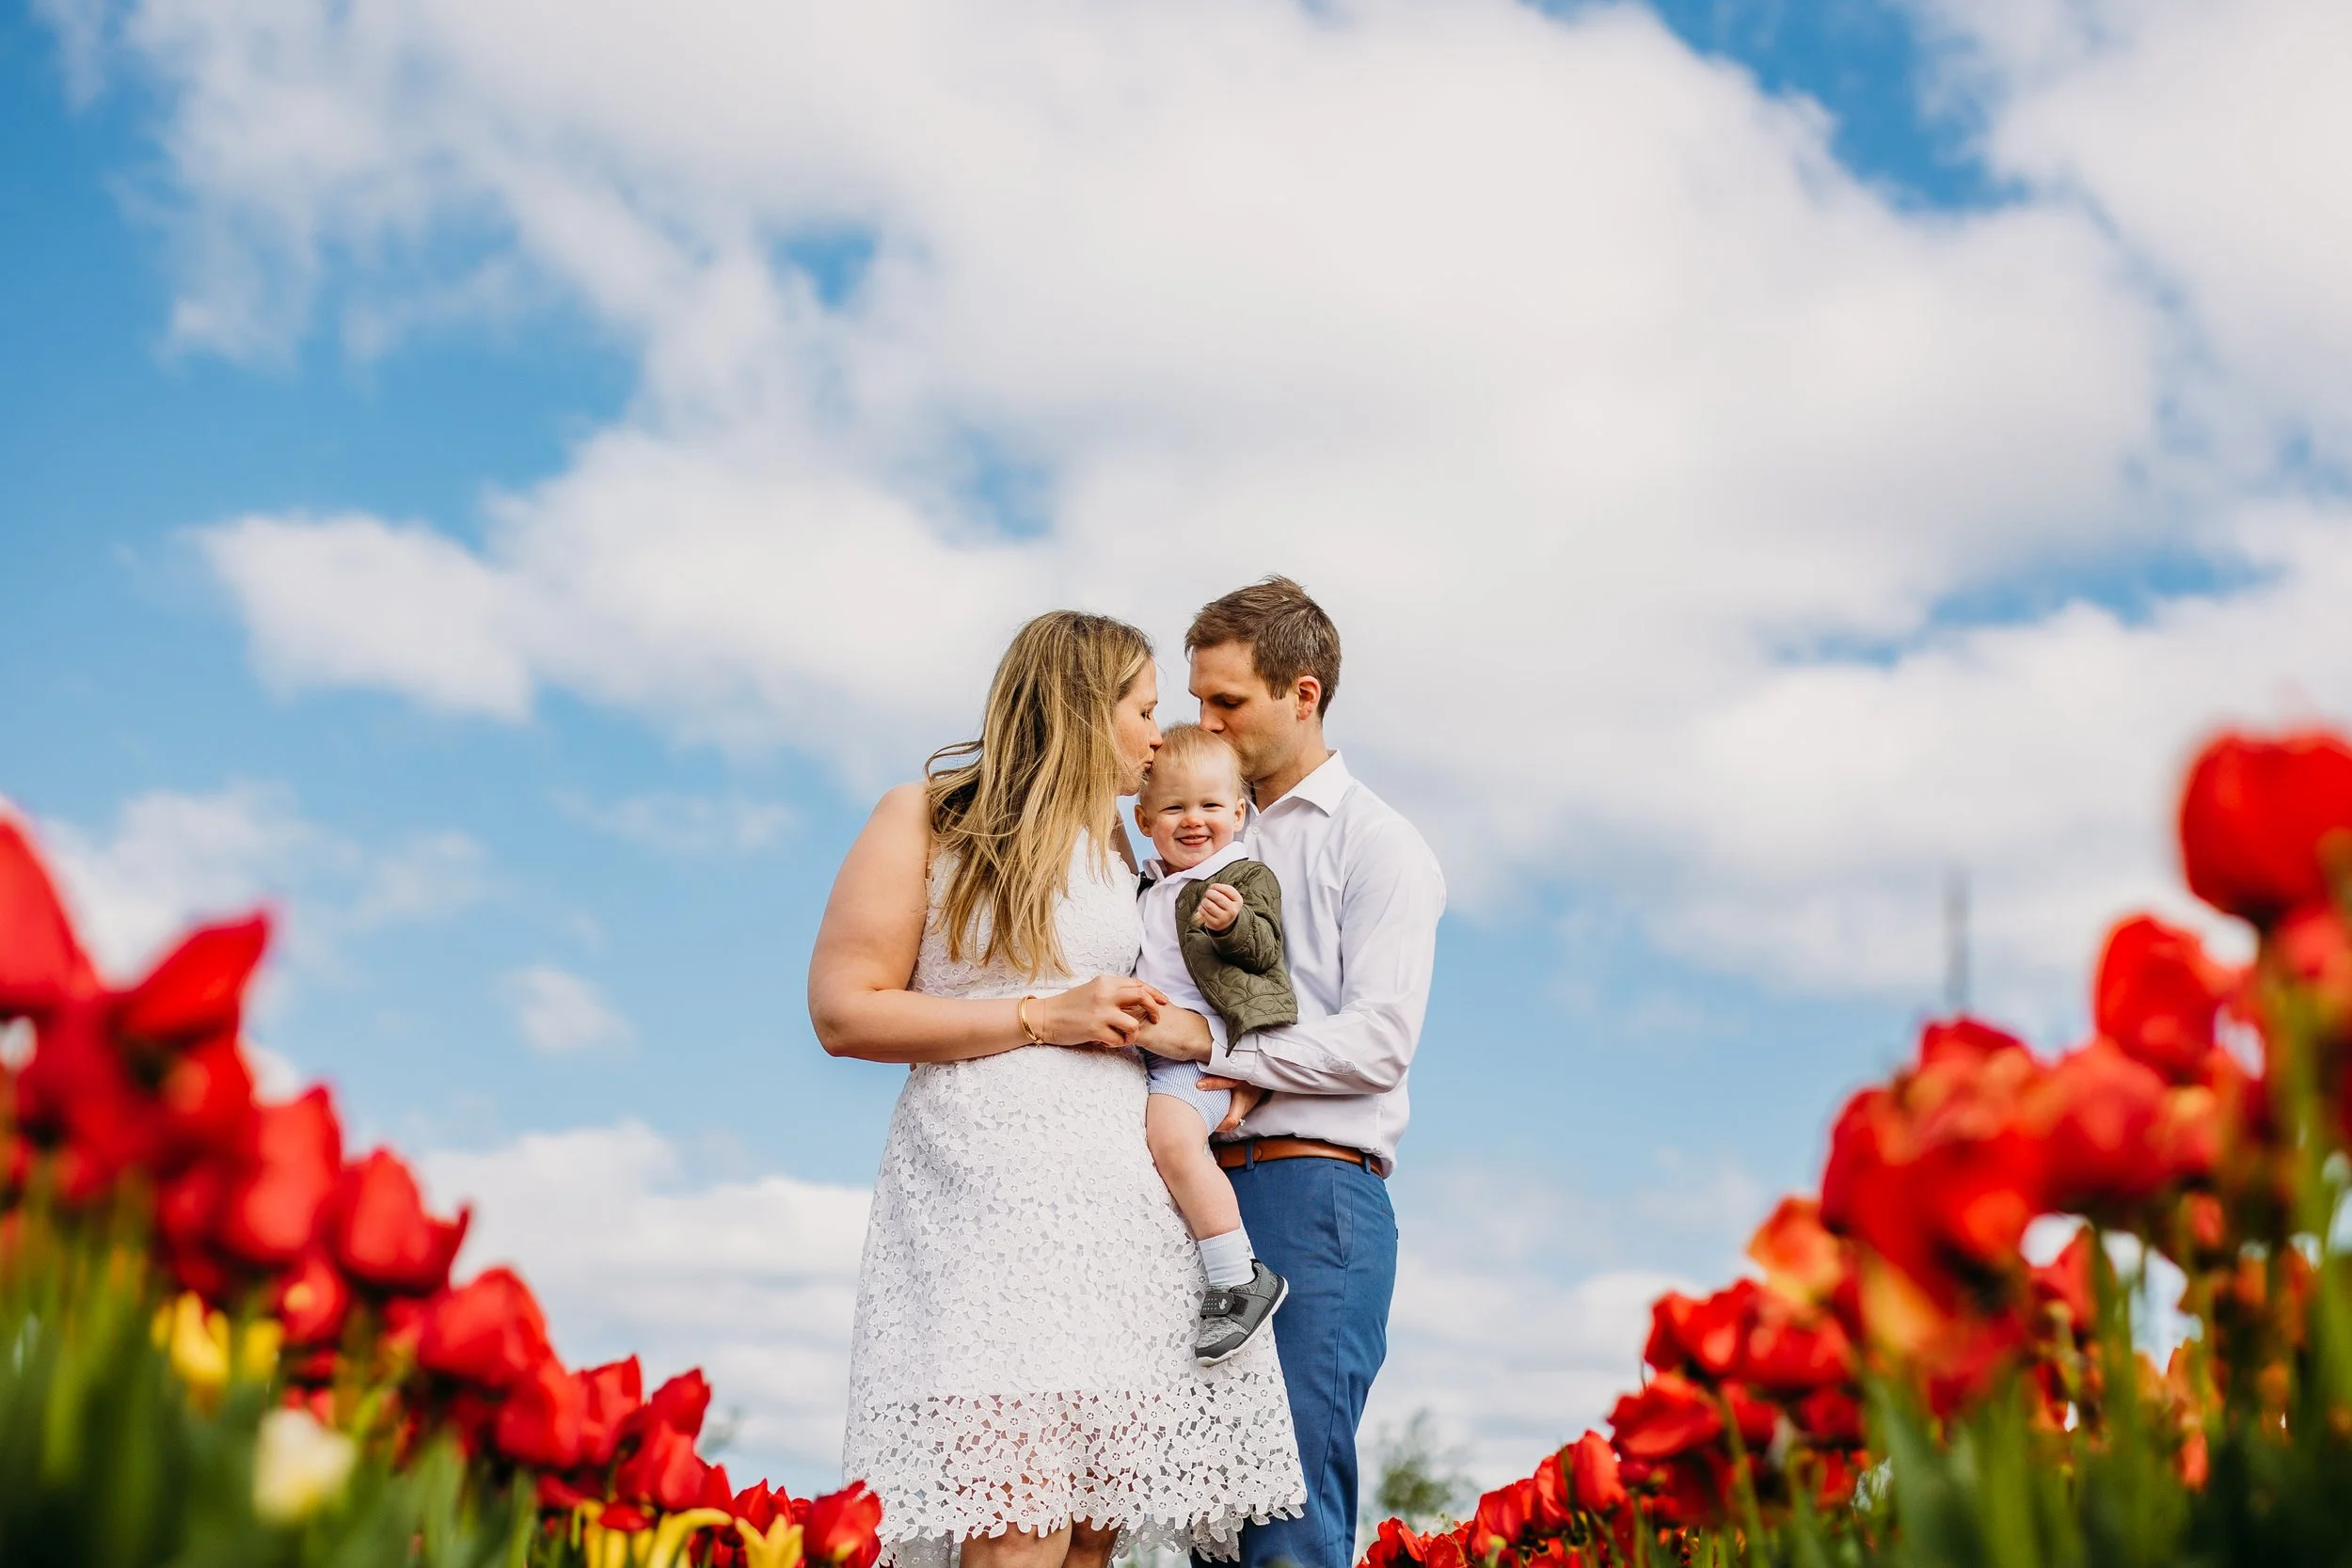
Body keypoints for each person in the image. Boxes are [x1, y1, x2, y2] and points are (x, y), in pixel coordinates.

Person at [811, 610, 1305, 1568]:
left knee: (1093, 1523)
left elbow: (1180, 1003)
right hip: (985, 1195)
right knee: (1015, 1515)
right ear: (1083, 708)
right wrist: (1042, 1014)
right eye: (1145, 709)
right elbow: (843, 1011)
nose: (1159, 736)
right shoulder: (926, 814)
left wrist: (1185, 1033)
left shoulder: (1127, 849)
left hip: (1121, 1203)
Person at [1167, 578, 1448, 1568]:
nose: (1199, 722)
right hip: (1187, 1194)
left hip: (1309, 1185)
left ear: (1303, 692)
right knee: (1199, 1527)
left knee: (1285, 1526)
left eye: (1227, 702)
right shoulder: (1193, 828)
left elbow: (1379, 1038)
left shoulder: (1377, 844)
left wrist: (1225, 1061)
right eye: (1196, 698)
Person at [1130, 723, 1297, 1366]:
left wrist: (1232, 925)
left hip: (1204, 1048)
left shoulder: (1241, 875)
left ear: (1238, 811)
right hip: (1148, 1051)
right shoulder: (1146, 883)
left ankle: (1238, 1275)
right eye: (1174, 807)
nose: (1193, 820)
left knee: (1172, 1138)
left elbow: (1264, 950)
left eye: (1209, 805)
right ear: (1145, 819)